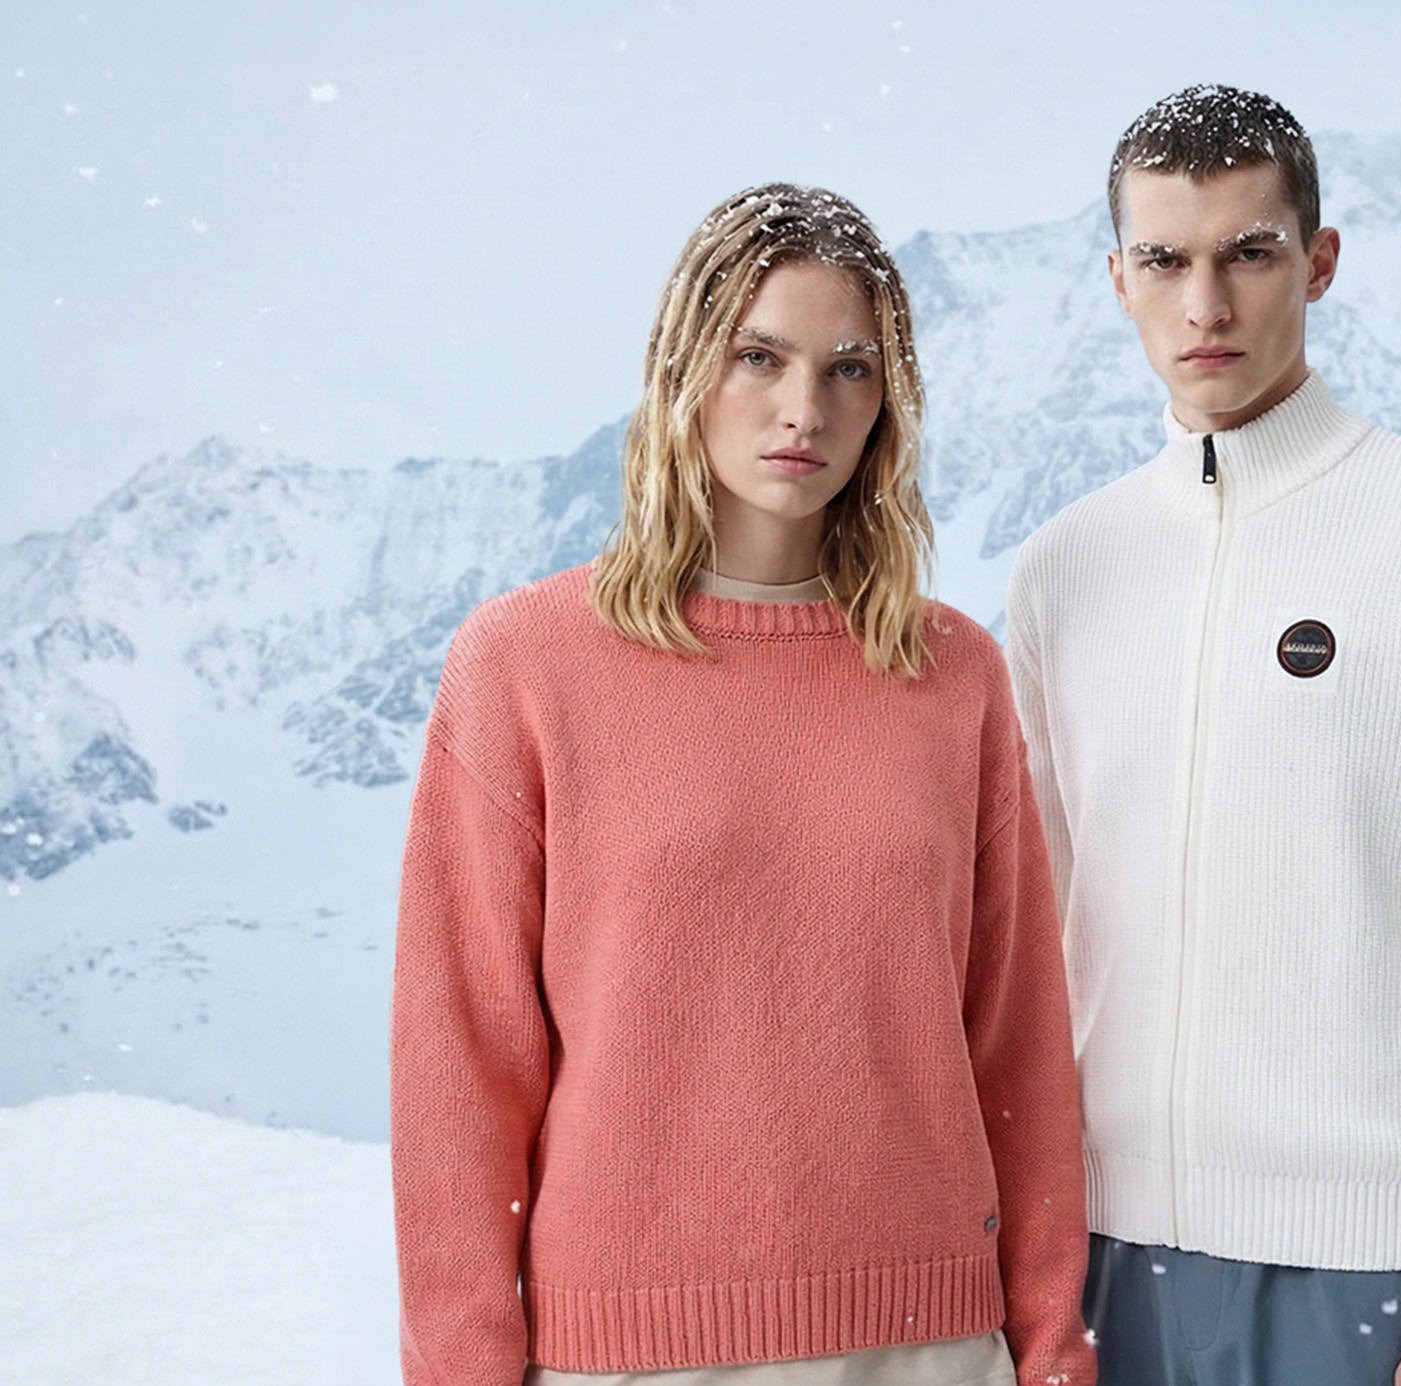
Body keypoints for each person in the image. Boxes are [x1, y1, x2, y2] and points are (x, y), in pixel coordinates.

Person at [391, 183, 1097, 1386]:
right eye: (758, 357)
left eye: (849, 369)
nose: (802, 409)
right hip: (629, 1354)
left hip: (929, 1346)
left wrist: (1050, 1348)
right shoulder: (523, 664)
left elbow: (1015, 1043)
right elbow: (461, 1066)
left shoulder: (953, 673)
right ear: (684, 370)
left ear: (888, 402)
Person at [1005, 87, 1401, 1386]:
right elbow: (1031, 937)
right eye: (1166, 259)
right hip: (1095, 1257)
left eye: (1249, 254)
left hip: (1368, 1272)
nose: (1205, 305)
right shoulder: (1064, 570)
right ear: (1118, 277)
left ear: (1319, 262)